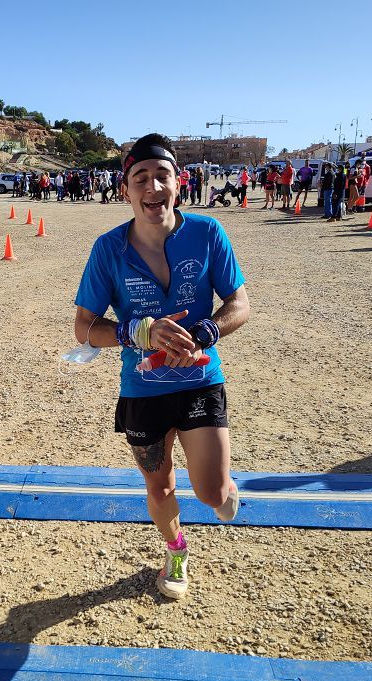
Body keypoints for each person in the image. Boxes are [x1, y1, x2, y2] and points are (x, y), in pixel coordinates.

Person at [73, 134, 249, 600]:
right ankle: (176, 551)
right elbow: (84, 329)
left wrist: (207, 332)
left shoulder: (208, 233)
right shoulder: (108, 249)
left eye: (161, 176)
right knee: (160, 481)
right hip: (143, 389)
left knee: (212, 495)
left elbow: (239, 303)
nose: (152, 187)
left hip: (199, 379)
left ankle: (223, 487)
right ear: (125, 190)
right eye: (140, 178)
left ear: (179, 182)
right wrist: (138, 332)